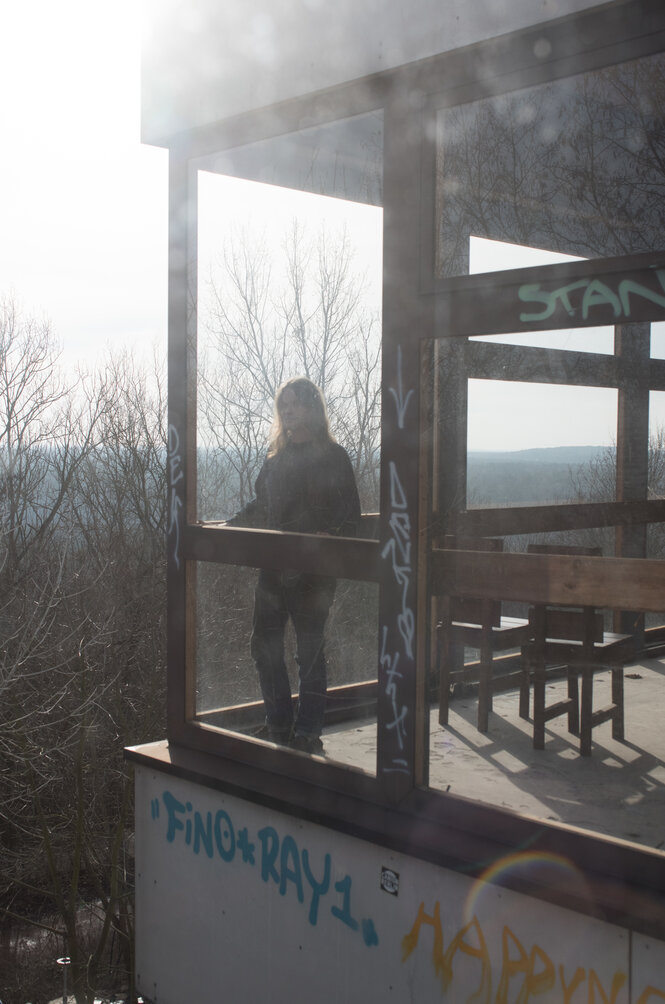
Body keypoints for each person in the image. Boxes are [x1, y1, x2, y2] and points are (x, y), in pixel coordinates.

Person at [226, 377, 361, 754]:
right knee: (263, 647)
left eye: (295, 405)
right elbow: (259, 508)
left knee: (309, 652)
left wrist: (328, 535)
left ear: (312, 409)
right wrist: (225, 529)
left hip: (314, 574)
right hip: (273, 568)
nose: (288, 412)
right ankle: (279, 726)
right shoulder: (275, 461)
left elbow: (351, 516)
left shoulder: (334, 457)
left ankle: (307, 733)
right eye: (283, 406)